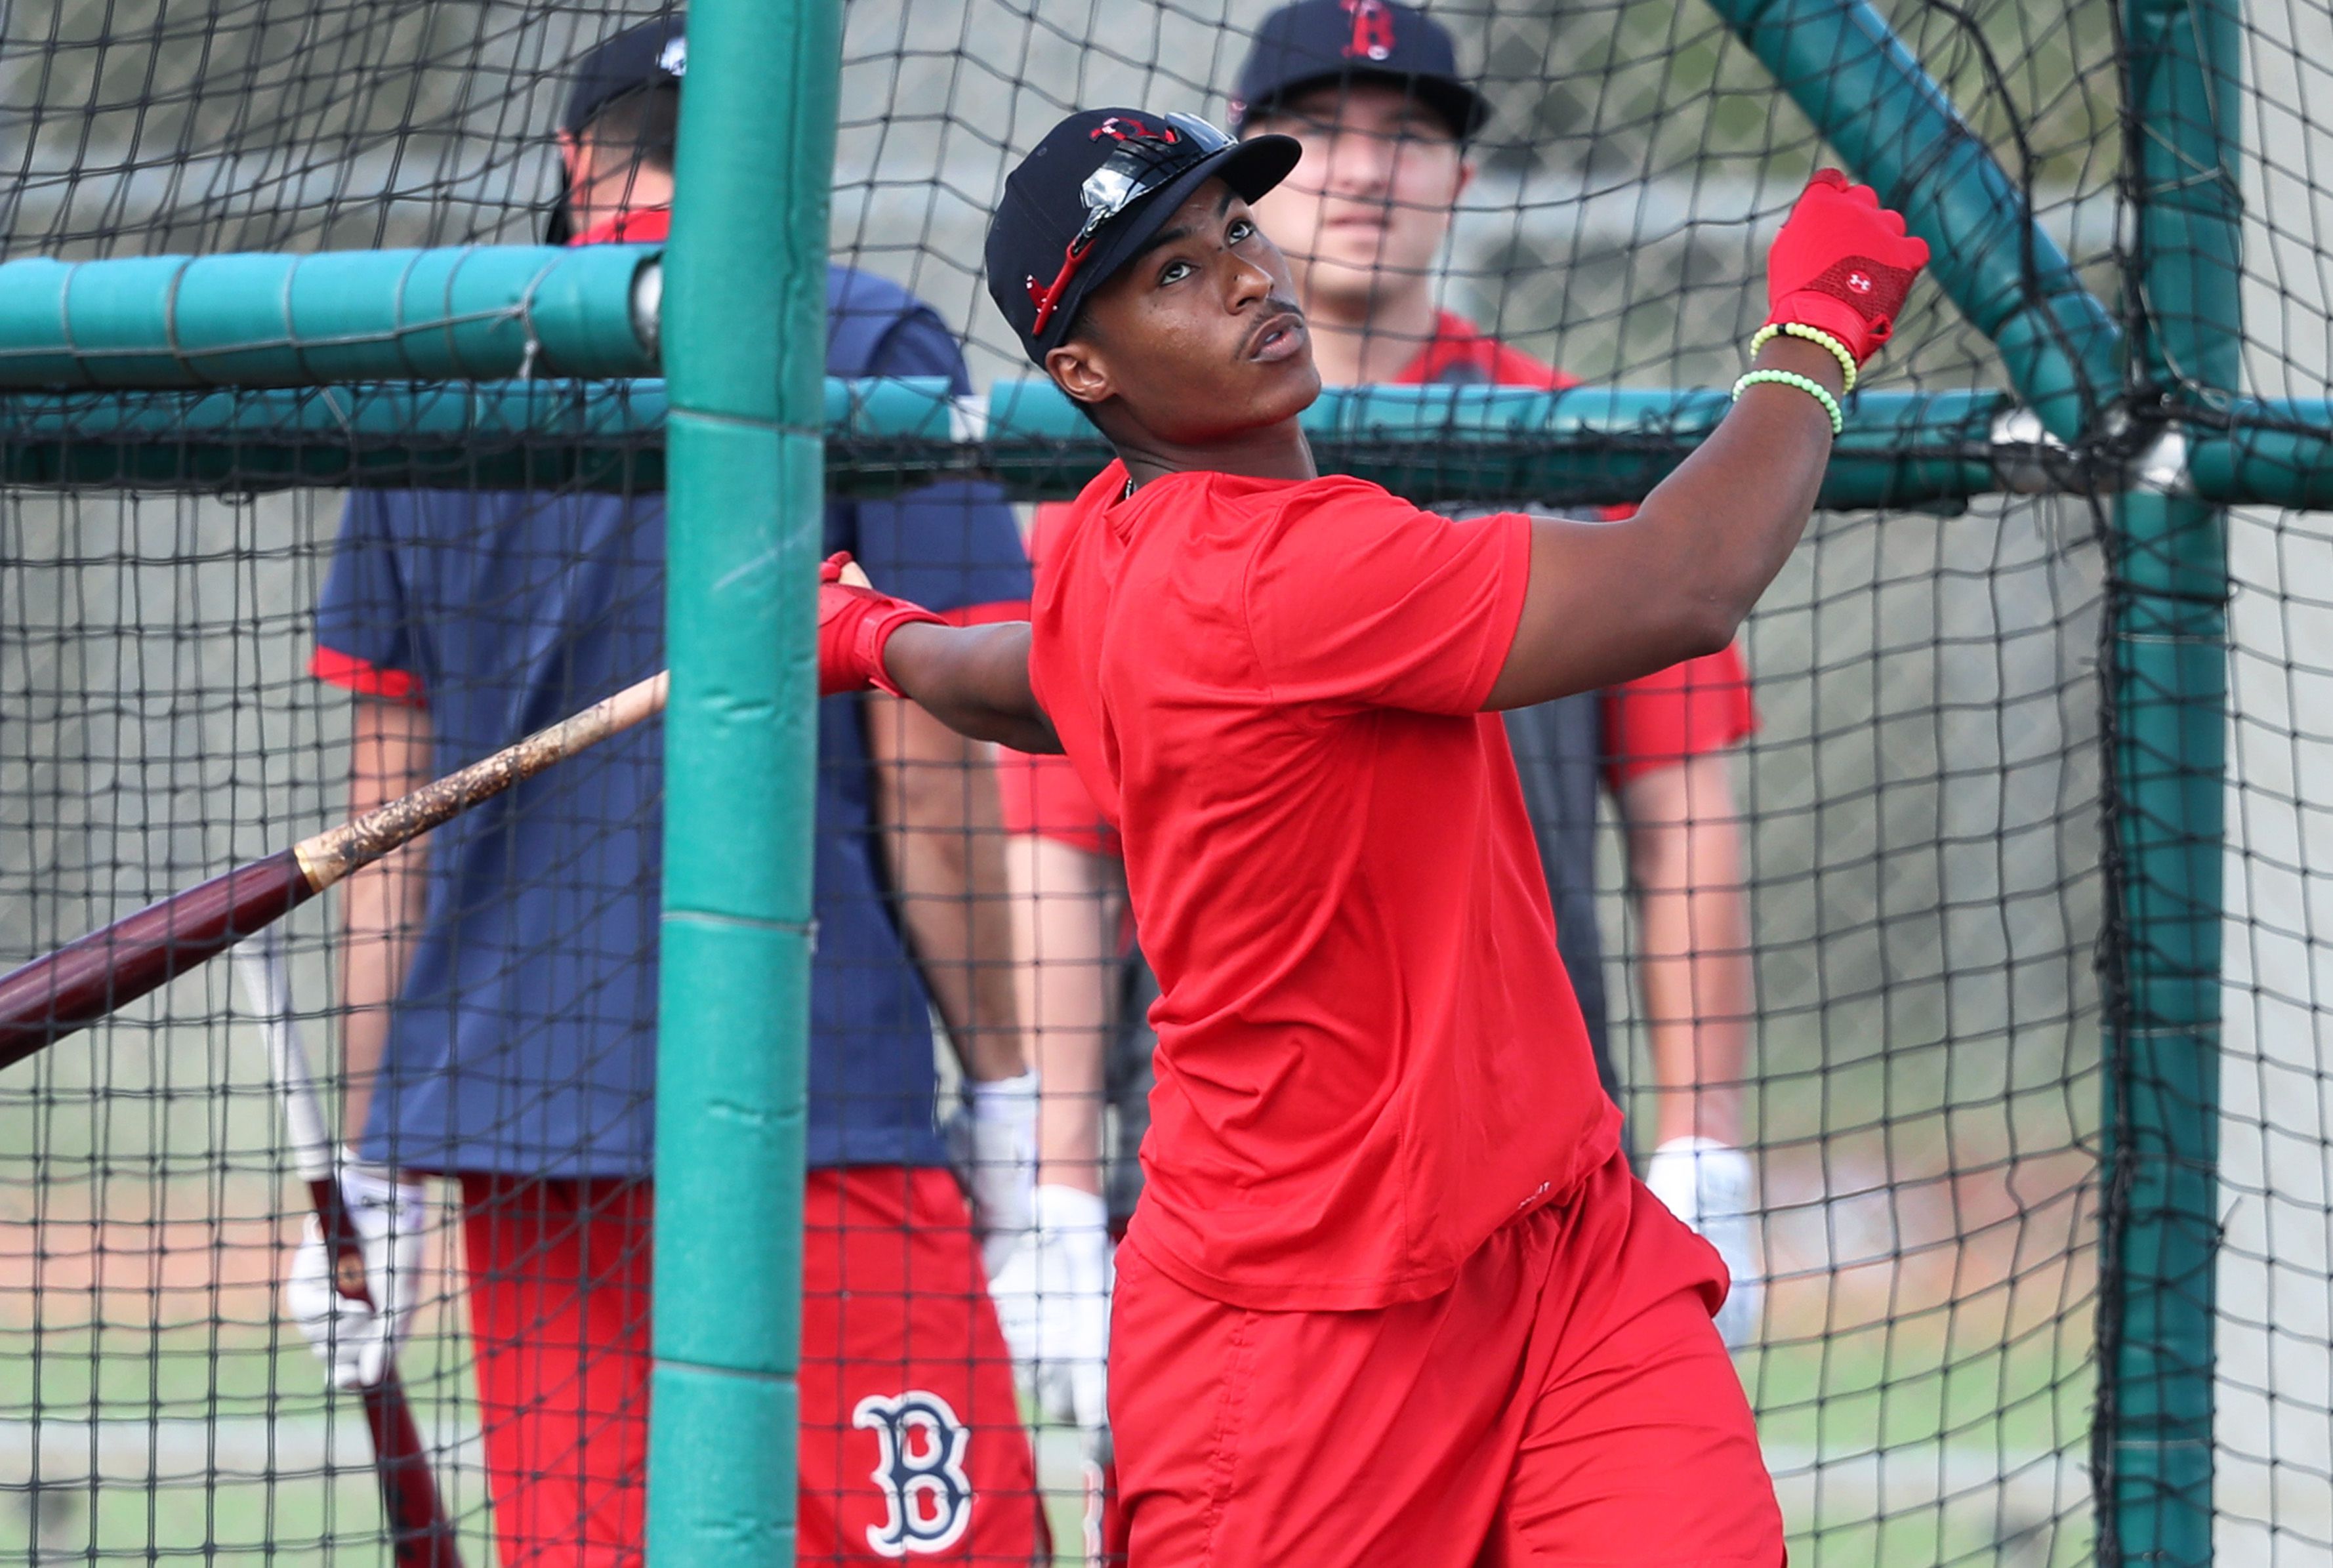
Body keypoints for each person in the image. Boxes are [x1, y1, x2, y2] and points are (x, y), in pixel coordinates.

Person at [818, 106, 1925, 1561]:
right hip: (1293, 1336)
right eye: (1166, 274)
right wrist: (1816, 333)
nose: (1243, 278)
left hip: (1556, 1250)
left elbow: (1020, 679)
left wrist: (872, 633)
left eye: (1233, 233)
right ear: (1081, 370)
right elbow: (1683, 581)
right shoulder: (1284, 570)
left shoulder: (1104, 541)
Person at [289, 16, 1048, 1564]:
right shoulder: (863, 338)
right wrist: (1014, 1104)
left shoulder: (431, 358)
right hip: (808, 1100)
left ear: (574, 161)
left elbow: (385, 843)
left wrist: (375, 1159)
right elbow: (936, 791)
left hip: (513, 1129)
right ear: (774, 165)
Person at [993, 8, 1765, 1443]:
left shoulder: (1580, 439)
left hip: (1529, 1169)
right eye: (1326, 129)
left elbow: (1682, 816)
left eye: (1407, 131)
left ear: (1459, 176)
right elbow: (1058, 855)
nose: (1363, 169)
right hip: (1244, 1197)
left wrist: (1705, 1138)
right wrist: (1046, 1192)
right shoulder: (1109, 515)